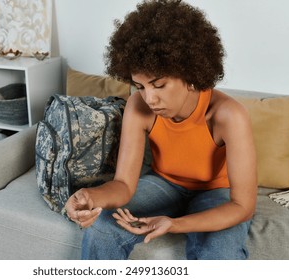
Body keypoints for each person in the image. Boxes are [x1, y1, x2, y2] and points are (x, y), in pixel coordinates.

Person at [65, 0, 257, 260]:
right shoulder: (138, 106)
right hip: (164, 184)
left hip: (218, 193)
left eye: (159, 85)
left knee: (221, 254)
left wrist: (174, 223)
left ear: (190, 76)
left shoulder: (228, 115)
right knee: (103, 229)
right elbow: (123, 185)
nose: (149, 99)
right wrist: (90, 195)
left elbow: (242, 206)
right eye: (140, 86)